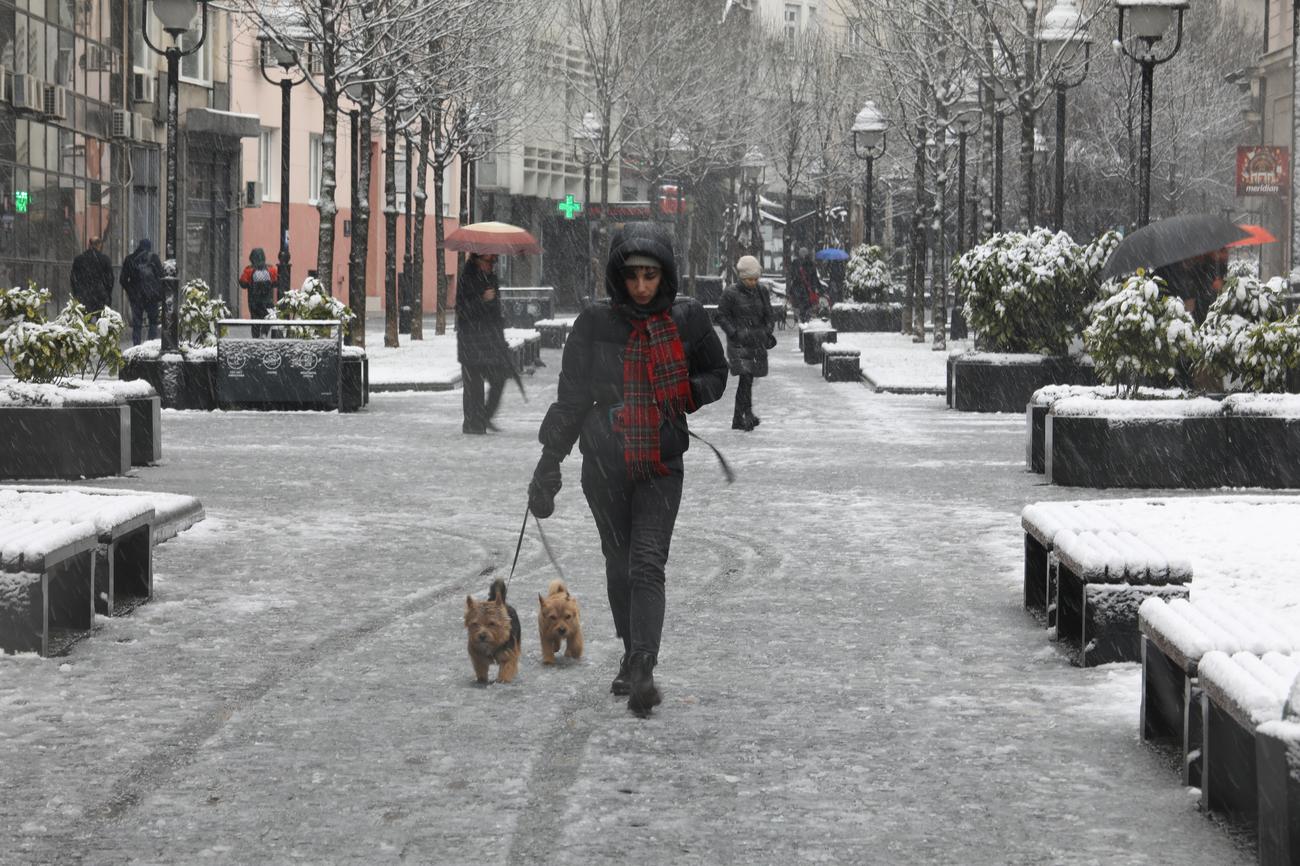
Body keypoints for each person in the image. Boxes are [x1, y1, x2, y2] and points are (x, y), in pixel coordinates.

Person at [527, 221, 728, 717]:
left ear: (666, 276)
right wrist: (549, 460)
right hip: (603, 466)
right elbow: (572, 397)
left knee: (646, 564)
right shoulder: (594, 323)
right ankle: (629, 646)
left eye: (651, 276)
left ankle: (642, 663)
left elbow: (717, 373)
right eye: (633, 275)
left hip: (661, 462)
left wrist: (687, 392)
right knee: (618, 567)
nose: (642, 286)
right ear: (618, 275)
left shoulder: (688, 320)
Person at [716, 254, 776, 432]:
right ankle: (746, 415)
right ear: (742, 277)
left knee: (747, 380)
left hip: (756, 342)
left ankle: (738, 418)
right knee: (746, 377)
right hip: (739, 344)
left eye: (756, 279)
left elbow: (769, 315)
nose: (753, 282)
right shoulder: (730, 293)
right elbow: (720, 315)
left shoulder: (762, 291)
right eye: (749, 279)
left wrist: (767, 330)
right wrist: (734, 332)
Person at [456, 252, 512, 434]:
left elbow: (495, 315)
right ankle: (473, 424)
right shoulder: (466, 279)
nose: (493, 264)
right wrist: (482, 300)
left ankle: (484, 417)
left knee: (499, 378)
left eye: (495, 260)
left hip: (490, 342)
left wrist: (501, 341)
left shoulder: (492, 279)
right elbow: (462, 312)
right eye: (490, 261)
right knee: (474, 387)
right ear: (478, 260)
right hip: (471, 342)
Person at [120, 239, 163, 345]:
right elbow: (161, 276)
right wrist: (157, 291)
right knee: (153, 322)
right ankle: (151, 346)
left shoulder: (130, 259)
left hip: (136, 297)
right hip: (151, 296)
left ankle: (136, 347)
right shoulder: (154, 258)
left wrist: (131, 291)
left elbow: (123, 280)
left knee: (137, 324)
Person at [238, 248, 279, 337]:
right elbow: (277, 282)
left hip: (254, 303)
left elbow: (243, 283)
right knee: (269, 317)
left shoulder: (248, 270)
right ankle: (264, 333)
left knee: (255, 322)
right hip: (267, 302)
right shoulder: (271, 269)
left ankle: (256, 339)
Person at [70, 236, 114, 315]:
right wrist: (107, 293)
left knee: (84, 321)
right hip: (100, 296)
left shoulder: (79, 259)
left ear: (89, 244)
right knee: (101, 322)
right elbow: (110, 279)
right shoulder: (105, 260)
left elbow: (73, 278)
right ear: (99, 245)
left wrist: (76, 293)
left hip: (84, 295)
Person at [789, 247, 823, 323]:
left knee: (801, 306)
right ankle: (806, 320)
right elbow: (815, 277)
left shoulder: (795, 262)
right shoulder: (810, 263)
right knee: (807, 306)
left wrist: (791, 290)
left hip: (799, 290)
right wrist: (819, 288)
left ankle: (802, 319)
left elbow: (792, 276)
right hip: (808, 289)